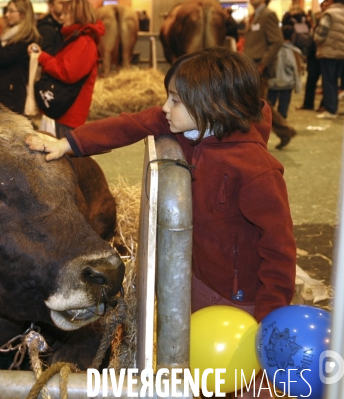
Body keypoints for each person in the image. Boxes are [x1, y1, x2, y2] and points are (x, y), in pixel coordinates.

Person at [26, 47, 296, 327]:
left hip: (242, 298)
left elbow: (279, 252)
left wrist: (269, 323)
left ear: (211, 105)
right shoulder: (190, 123)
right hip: (196, 279)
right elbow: (127, 125)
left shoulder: (257, 172)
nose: (165, 107)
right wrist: (66, 144)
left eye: (175, 100)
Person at [28, 0, 104, 138]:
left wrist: (42, 58)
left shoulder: (83, 42)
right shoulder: (78, 39)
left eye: (66, 13)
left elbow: (68, 73)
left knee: (66, 154)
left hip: (69, 111)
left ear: (77, 15)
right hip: (66, 109)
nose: (61, 17)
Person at [244, 0, 297, 150]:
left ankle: (280, 133)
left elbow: (277, 41)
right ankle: (284, 131)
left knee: (257, 103)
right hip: (251, 66)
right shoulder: (255, 15)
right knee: (258, 102)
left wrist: (262, 64)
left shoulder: (268, 15)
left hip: (258, 67)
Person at [0, 0, 40, 115]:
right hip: (1, 91)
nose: (7, 14)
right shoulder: (10, 33)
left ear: (23, 13)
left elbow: (3, 57)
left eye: (11, 11)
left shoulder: (28, 36)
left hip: (12, 95)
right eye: (7, 10)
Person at [313, 0, 344, 119]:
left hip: (329, 52)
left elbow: (320, 34)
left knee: (328, 81)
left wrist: (316, 39)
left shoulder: (330, 13)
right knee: (335, 81)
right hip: (343, 52)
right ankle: (333, 107)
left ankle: (331, 109)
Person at [267, 24, 303, 119]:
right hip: (287, 83)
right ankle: (282, 122)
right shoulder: (295, 52)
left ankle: (268, 123)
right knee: (283, 107)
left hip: (272, 82)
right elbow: (297, 70)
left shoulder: (271, 50)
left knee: (269, 106)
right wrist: (298, 87)